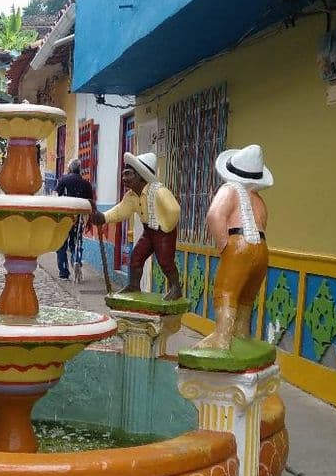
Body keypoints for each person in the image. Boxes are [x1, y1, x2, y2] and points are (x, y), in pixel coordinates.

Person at [194, 144, 272, 350]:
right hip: (262, 248)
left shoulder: (229, 190)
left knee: (226, 291)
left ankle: (222, 336)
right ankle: (241, 332)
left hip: (238, 243)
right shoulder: (258, 199)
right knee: (247, 293)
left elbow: (214, 215)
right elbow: (264, 222)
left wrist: (223, 244)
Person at [90, 151, 182, 299]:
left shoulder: (159, 191)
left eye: (128, 174)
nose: (124, 178)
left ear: (140, 176)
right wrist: (103, 217)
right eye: (124, 174)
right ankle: (134, 285)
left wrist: (166, 226)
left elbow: (174, 209)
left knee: (165, 261)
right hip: (148, 231)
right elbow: (121, 210)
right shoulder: (131, 196)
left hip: (163, 232)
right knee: (136, 257)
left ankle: (176, 288)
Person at [55, 159, 94, 281]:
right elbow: (90, 203)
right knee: (76, 243)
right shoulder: (86, 184)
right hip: (79, 218)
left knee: (61, 245)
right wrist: (89, 221)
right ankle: (76, 260)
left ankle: (63, 272)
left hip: (64, 218)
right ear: (80, 169)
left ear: (70, 168)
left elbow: (57, 197)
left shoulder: (63, 180)